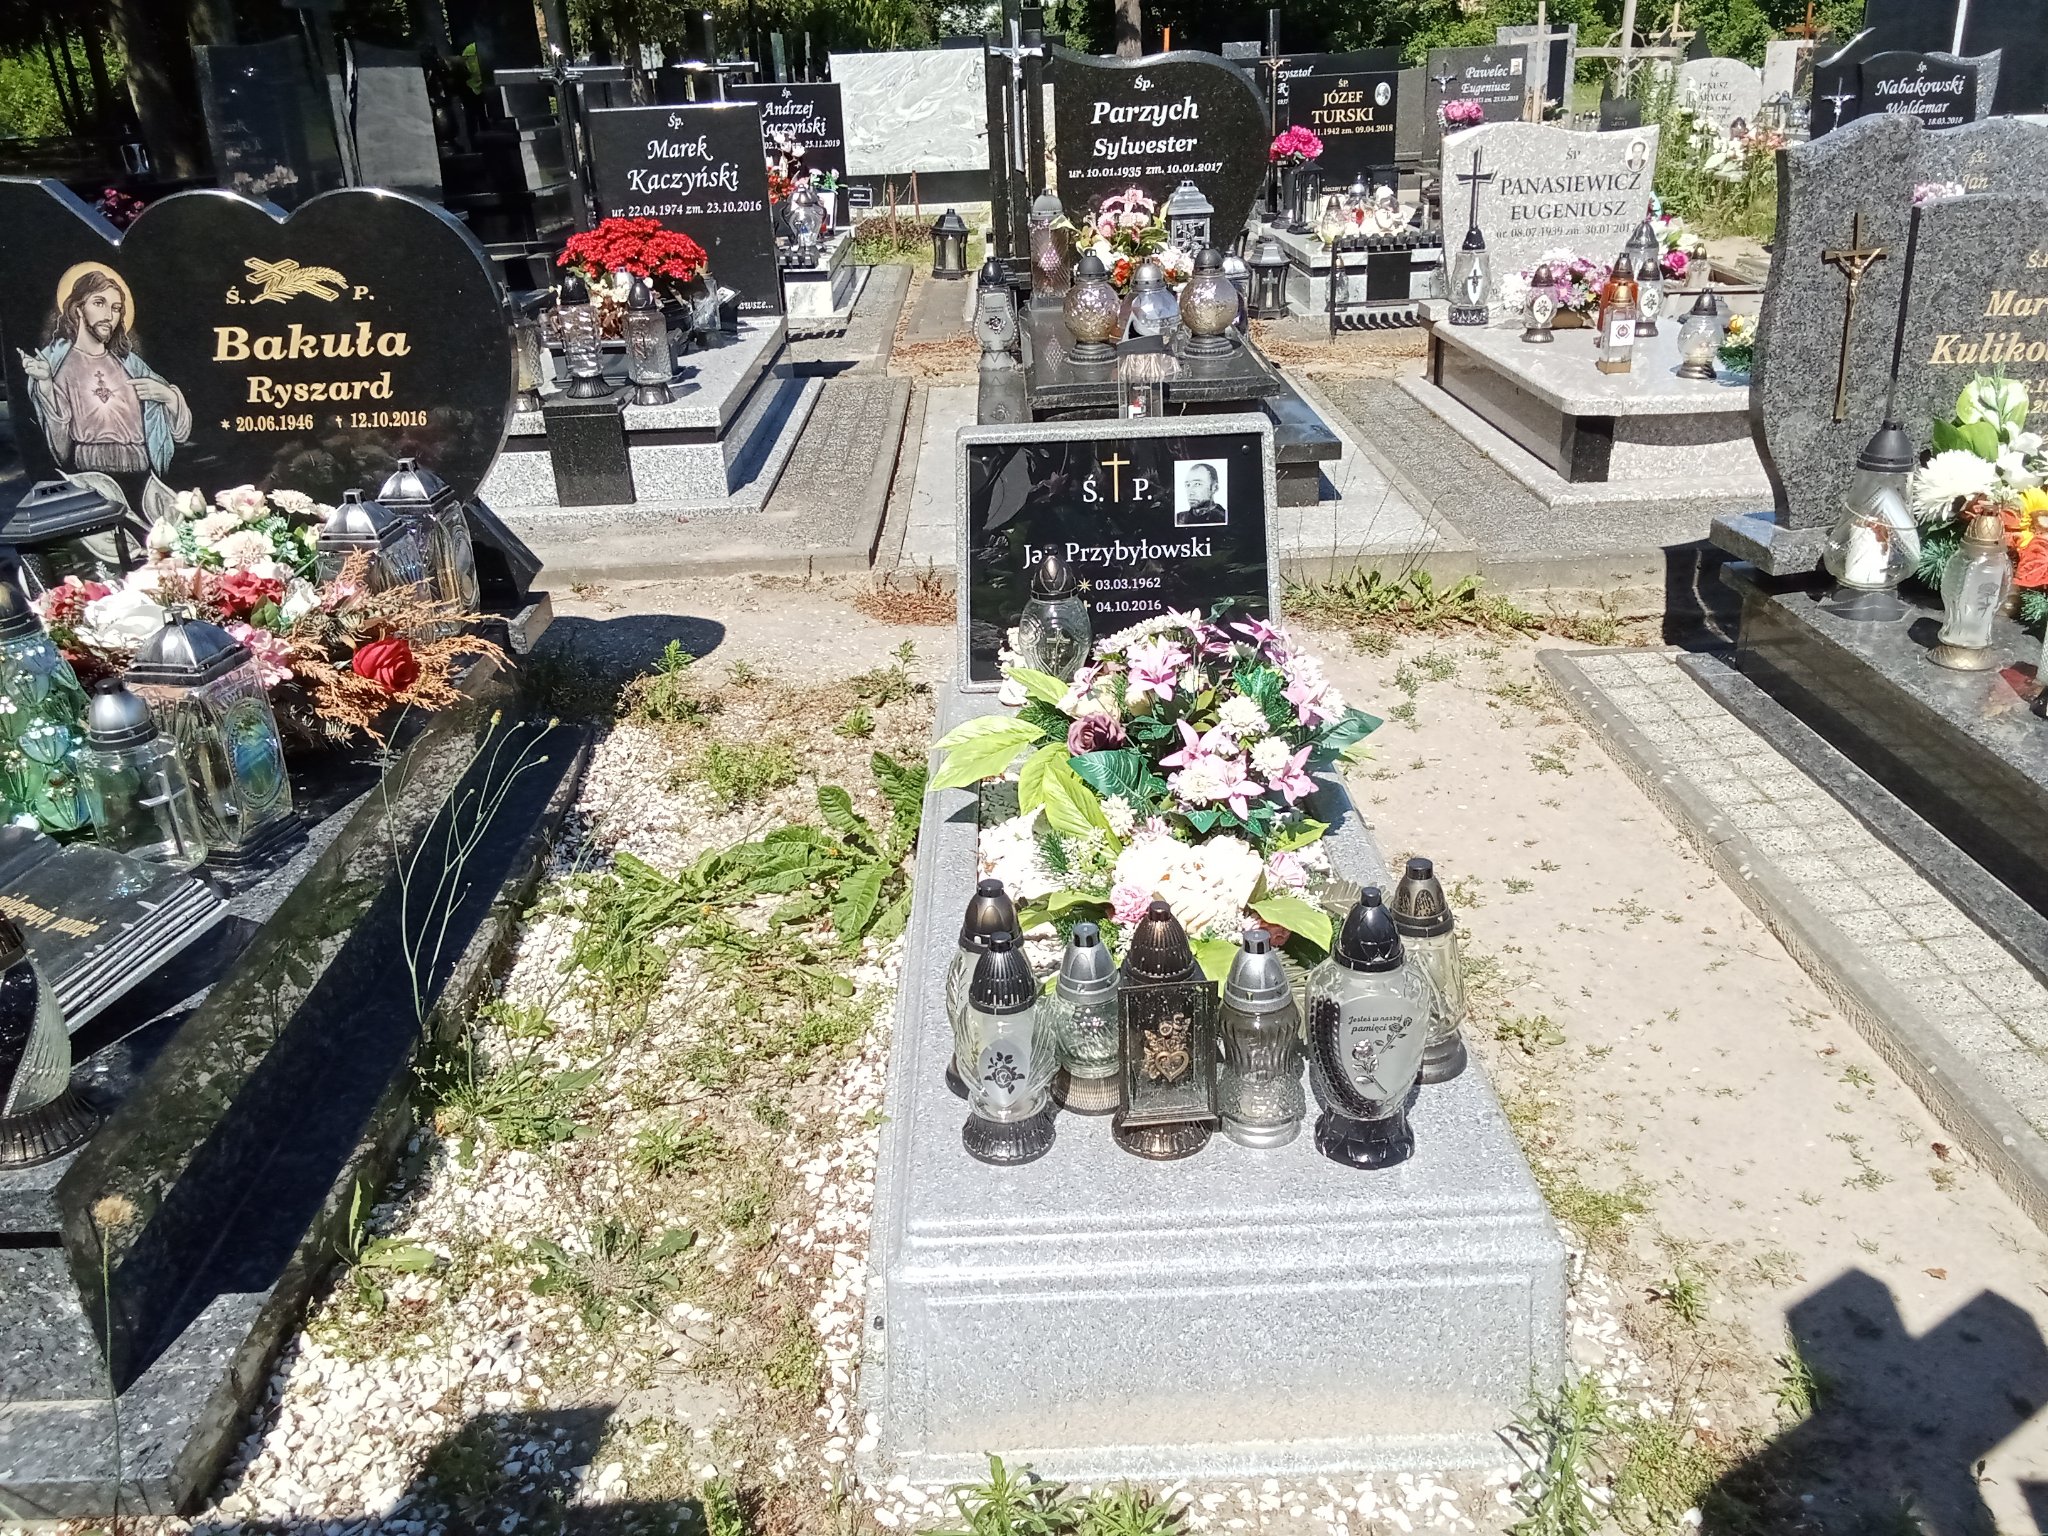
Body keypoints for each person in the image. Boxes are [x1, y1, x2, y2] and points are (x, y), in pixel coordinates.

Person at [20, 266, 191, 522]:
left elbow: (180, 433)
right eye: (99, 303)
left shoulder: (131, 365)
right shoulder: (56, 365)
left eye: (116, 308)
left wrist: (169, 397)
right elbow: (58, 446)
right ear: (78, 308)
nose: (109, 315)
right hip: (91, 478)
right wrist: (45, 384)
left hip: (142, 477)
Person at [1177, 462, 1227, 527]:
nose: (1190, 492)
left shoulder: (1225, 518)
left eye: (1197, 484)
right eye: (1188, 485)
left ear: (1214, 487)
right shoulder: (1179, 519)